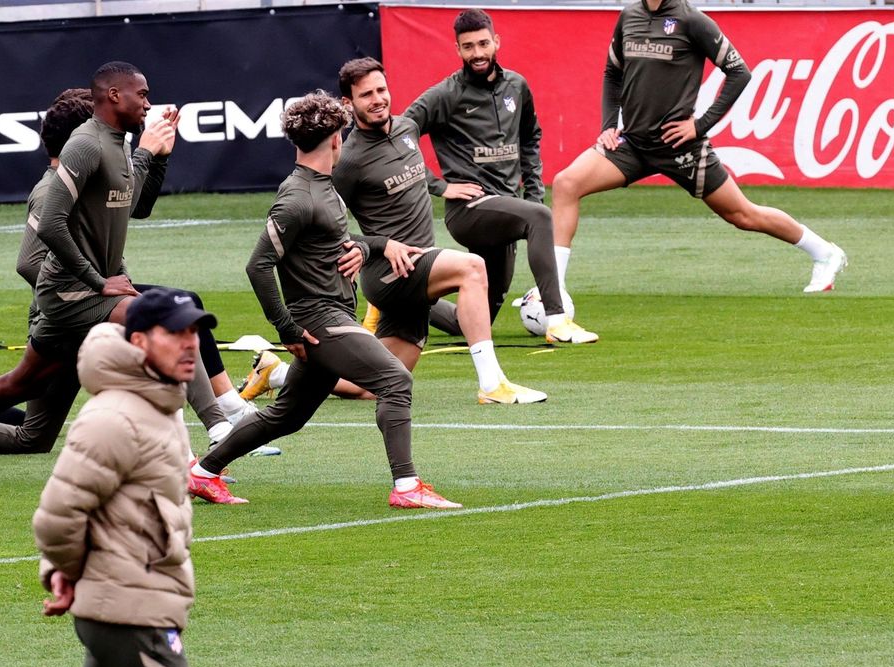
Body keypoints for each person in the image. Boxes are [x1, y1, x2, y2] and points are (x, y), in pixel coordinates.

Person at [0, 289, 233, 667]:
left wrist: (72, 575)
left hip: (123, 608)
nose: (191, 345)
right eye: (176, 333)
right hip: (133, 616)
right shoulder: (114, 418)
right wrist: (64, 570)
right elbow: (57, 514)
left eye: (195, 332)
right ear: (139, 342)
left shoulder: (159, 403)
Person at [0, 62, 244, 476]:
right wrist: (98, 282)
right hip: (71, 297)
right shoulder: (76, 158)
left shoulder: (116, 147)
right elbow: (35, 251)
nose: (149, 104)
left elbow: (137, 207)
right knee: (167, 318)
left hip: (82, 298)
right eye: (142, 94)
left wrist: (157, 156)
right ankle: (221, 429)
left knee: (27, 410)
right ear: (111, 99)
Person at [186, 92, 461, 510]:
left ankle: (204, 473)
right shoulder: (298, 197)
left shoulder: (321, 187)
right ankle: (407, 487)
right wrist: (286, 328)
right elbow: (258, 265)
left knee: (287, 415)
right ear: (336, 138)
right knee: (395, 380)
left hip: (328, 317)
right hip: (319, 321)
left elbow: (334, 240)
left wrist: (366, 248)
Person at [549, 0, 848, 302]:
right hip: (633, 144)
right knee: (566, 184)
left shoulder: (692, 20)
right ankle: (553, 290)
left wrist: (700, 125)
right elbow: (612, 73)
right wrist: (609, 125)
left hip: (679, 147)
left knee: (743, 215)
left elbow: (739, 72)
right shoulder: (629, 16)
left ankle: (824, 253)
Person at [334, 57, 547, 405]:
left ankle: (277, 372)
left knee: (376, 386)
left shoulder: (407, 129)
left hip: (416, 275)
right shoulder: (348, 159)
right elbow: (323, 228)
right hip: (391, 273)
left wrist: (443, 187)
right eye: (366, 95)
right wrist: (381, 244)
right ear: (348, 103)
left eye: (381, 90)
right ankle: (492, 385)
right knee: (472, 268)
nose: (377, 99)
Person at [402, 8, 598, 345]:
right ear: (457, 49)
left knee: (473, 320)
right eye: (468, 47)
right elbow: (399, 135)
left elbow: (530, 138)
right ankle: (557, 320)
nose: (477, 53)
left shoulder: (516, 86)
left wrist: (533, 196)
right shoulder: (445, 94)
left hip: (506, 210)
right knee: (540, 216)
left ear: (496, 41)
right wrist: (440, 186)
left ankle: (399, 297)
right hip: (469, 211)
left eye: (483, 44)